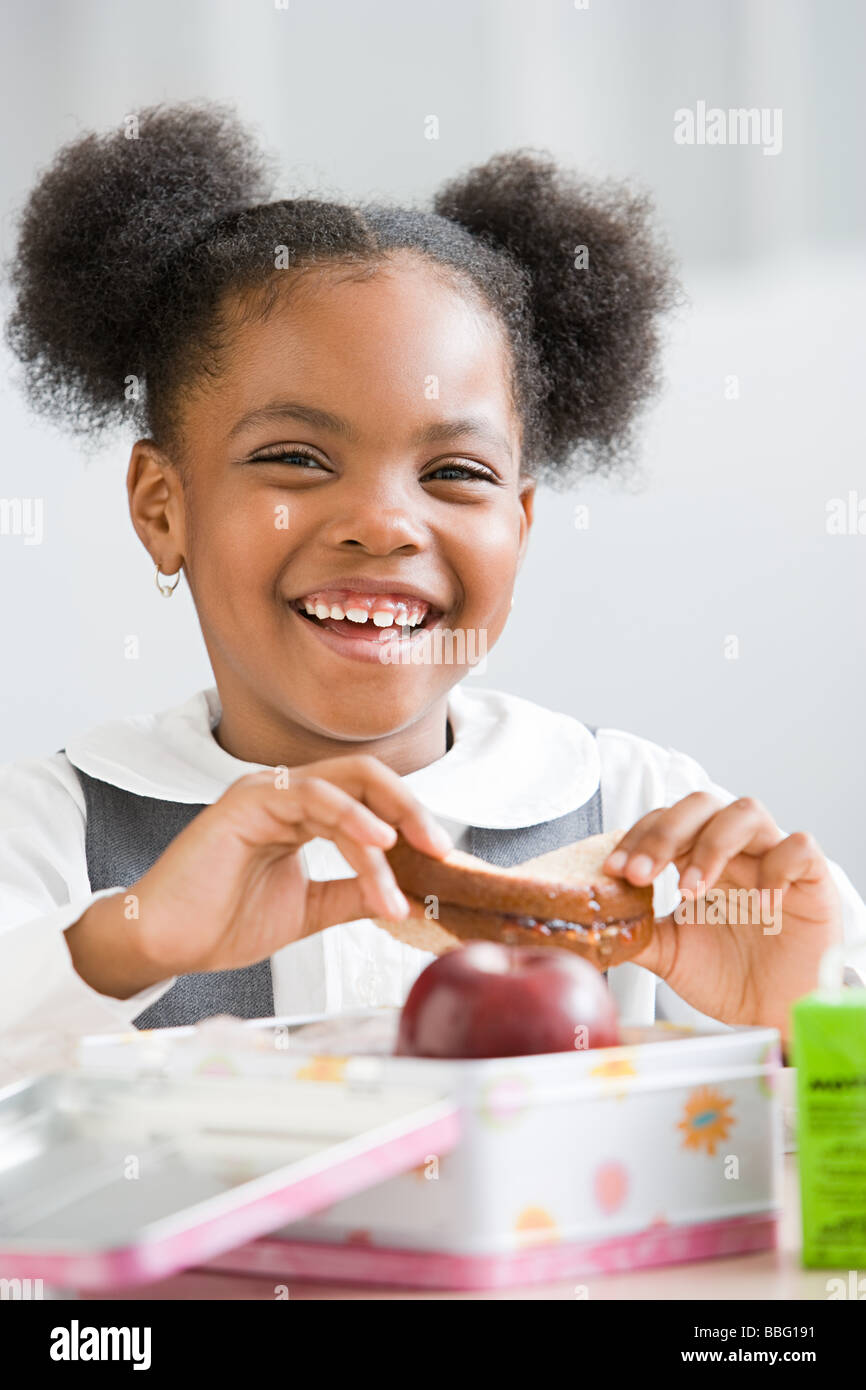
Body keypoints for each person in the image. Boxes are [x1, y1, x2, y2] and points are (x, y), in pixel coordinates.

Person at [2, 102, 862, 1050]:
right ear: (163, 508)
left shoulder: (643, 818)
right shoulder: (54, 829)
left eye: (456, 473)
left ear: (521, 528)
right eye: (295, 457)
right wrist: (127, 942)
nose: (384, 523)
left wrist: (808, 1016)